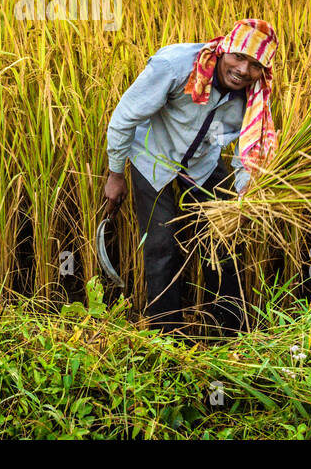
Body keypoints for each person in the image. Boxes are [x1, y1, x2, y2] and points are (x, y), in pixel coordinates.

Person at [103, 19, 278, 334]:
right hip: (154, 159)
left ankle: (229, 333)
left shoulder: (255, 96)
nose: (242, 69)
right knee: (161, 247)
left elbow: (249, 151)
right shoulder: (175, 66)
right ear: (224, 48)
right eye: (238, 56)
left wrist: (242, 196)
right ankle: (165, 338)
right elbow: (124, 117)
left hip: (203, 164)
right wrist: (116, 175)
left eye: (254, 64)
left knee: (224, 243)